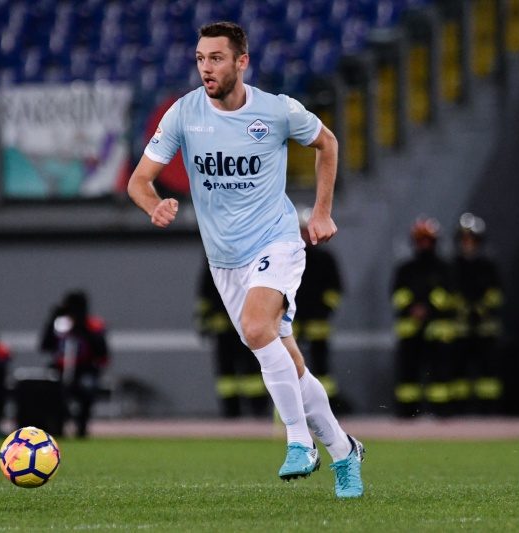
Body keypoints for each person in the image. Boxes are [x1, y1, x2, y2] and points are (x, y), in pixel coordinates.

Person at [127, 21, 363, 499]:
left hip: (276, 241)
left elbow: (328, 143)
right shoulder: (184, 113)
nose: (206, 68)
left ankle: (300, 443)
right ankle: (344, 450)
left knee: (257, 329)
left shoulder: (276, 111)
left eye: (216, 58)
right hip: (225, 261)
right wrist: (154, 205)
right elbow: (139, 180)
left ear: (241, 61)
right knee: (289, 362)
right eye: (200, 58)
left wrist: (321, 212)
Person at [391, 217, 459, 418]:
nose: (424, 244)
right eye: (420, 240)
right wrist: (412, 307)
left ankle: (441, 411)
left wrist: (427, 308)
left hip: (438, 332)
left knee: (439, 373)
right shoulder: (405, 269)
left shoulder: (444, 268)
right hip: (410, 331)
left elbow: (447, 294)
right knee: (408, 374)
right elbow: (397, 295)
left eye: (427, 240)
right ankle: (407, 412)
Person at [196, 262, 269, 418]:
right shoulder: (218, 264)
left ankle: (251, 408)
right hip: (233, 325)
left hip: (241, 324)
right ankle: (238, 410)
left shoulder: (231, 262)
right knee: (230, 370)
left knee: (246, 367)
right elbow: (205, 295)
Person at [293, 209, 347, 413]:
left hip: (318, 322)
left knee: (321, 366)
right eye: (301, 231)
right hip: (293, 322)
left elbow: (335, 289)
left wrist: (324, 310)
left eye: (306, 231)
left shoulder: (325, 259)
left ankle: (326, 406)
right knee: (291, 366)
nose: (304, 236)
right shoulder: (289, 258)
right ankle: (295, 407)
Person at [451, 213, 504, 414]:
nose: (468, 244)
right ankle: (460, 409)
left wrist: (480, 308)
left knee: (488, 372)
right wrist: (464, 308)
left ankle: (488, 409)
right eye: (464, 239)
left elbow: (496, 294)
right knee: (459, 372)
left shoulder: (487, 266)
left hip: (485, 329)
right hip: (460, 330)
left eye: (471, 239)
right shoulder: (454, 267)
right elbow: (449, 293)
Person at [39, 290, 109, 437]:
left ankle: (81, 428)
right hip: (60, 369)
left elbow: (101, 352)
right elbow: (45, 345)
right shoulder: (60, 325)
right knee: (52, 391)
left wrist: (82, 328)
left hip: (84, 369)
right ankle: (56, 426)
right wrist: (52, 321)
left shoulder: (92, 326)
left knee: (87, 388)